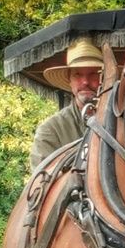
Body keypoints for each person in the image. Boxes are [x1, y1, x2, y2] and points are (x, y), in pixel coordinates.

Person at [29, 38, 105, 170]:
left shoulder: (124, 123)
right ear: (69, 80)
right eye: (77, 74)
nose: (85, 82)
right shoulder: (51, 130)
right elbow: (43, 182)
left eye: (93, 74)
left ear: (104, 78)